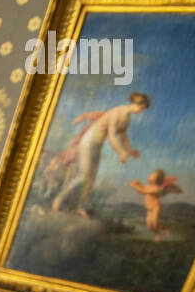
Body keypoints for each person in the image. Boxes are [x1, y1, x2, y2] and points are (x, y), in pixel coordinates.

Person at [50, 91, 150, 219]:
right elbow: (112, 137)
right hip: (87, 143)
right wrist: (121, 152)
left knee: (90, 180)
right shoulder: (117, 113)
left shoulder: (126, 119)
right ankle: (57, 201)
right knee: (83, 176)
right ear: (139, 105)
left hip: (97, 147)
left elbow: (123, 139)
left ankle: (78, 207)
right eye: (142, 109)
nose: (141, 112)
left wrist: (131, 151)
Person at [128, 169, 182, 239]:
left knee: (154, 223)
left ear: (156, 180)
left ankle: (165, 229)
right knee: (149, 226)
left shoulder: (156, 188)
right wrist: (138, 183)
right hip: (149, 208)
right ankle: (158, 233)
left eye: (153, 174)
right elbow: (143, 188)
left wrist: (135, 186)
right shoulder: (148, 186)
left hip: (155, 207)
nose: (151, 174)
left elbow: (143, 191)